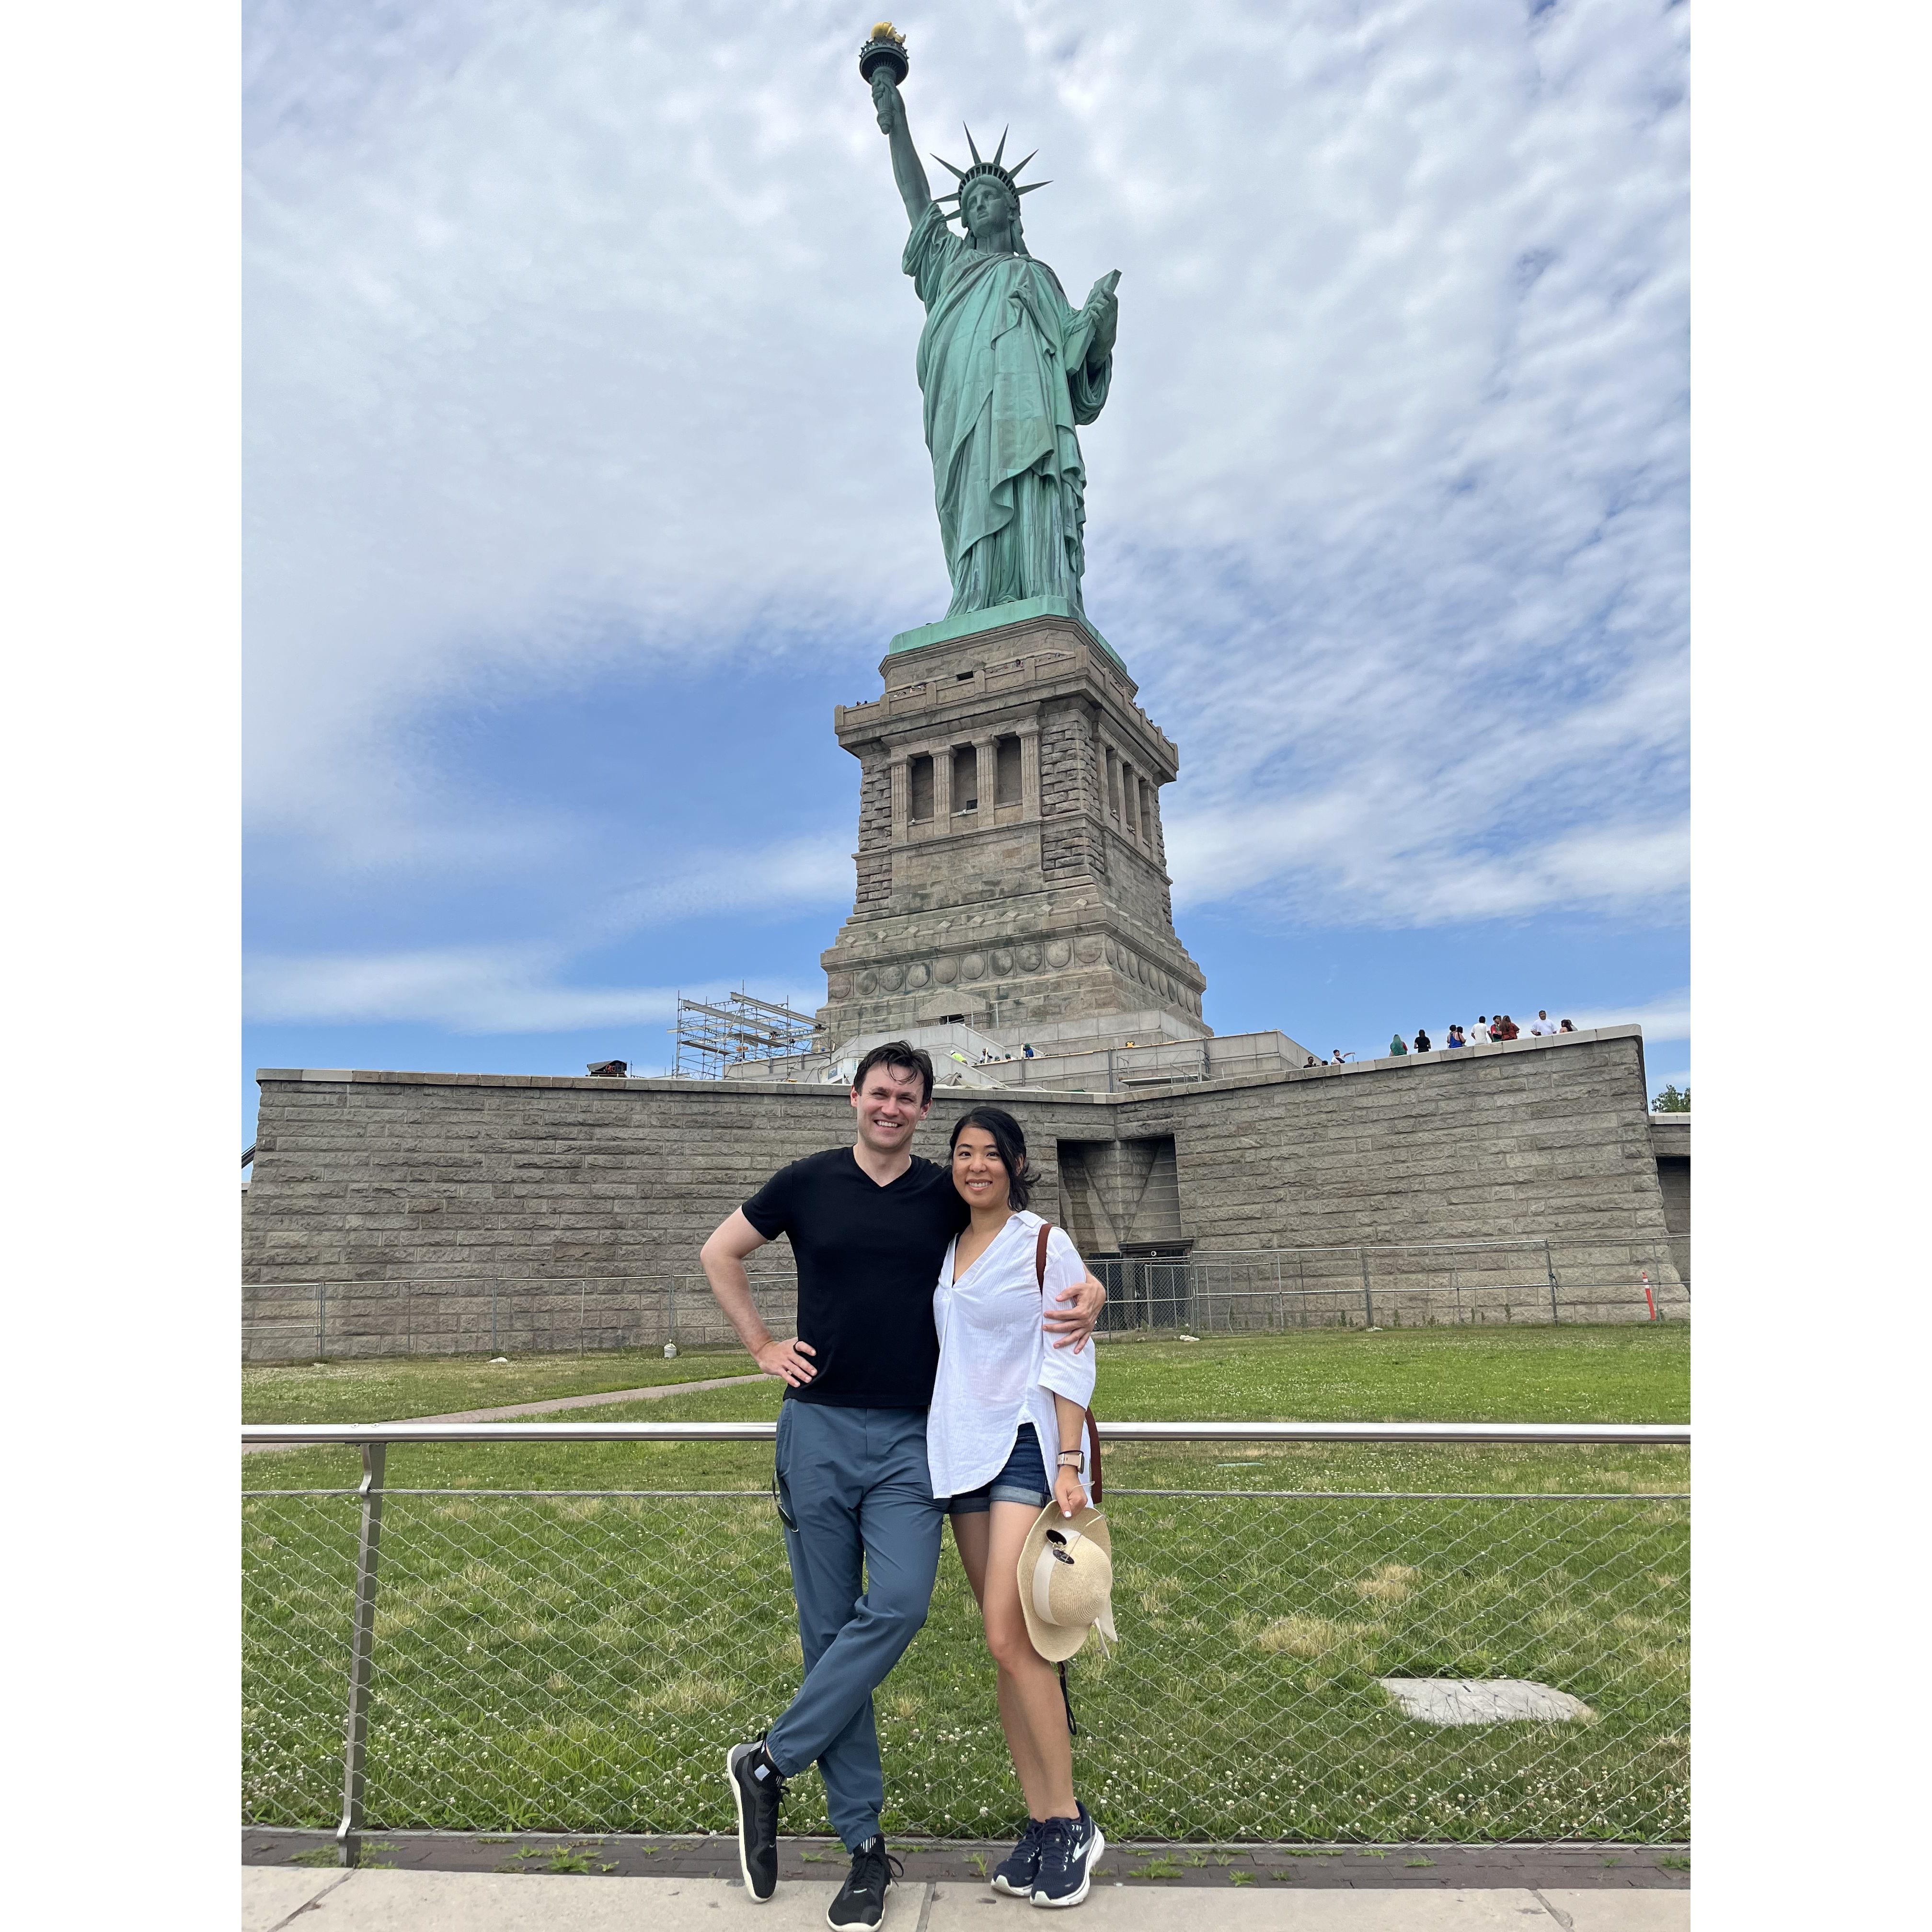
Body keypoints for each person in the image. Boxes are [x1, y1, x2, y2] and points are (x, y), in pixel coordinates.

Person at [702, 1042, 1106, 1927]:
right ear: (854, 1097)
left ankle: (768, 1760)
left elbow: (1029, 1246)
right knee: (828, 1634)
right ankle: (862, 1847)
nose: (891, 1107)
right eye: (879, 1092)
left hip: (916, 1443)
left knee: (899, 1607)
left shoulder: (943, 1192)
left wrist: (1094, 1290)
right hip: (820, 1430)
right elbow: (719, 1252)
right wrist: (760, 1345)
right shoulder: (806, 1181)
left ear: (923, 1110)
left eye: (907, 1097)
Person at [930, 1107, 1107, 1907]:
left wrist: (1068, 1459)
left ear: (1018, 1164)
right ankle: (1039, 1820)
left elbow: (1070, 1349)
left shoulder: (1043, 1242)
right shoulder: (945, 1244)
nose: (976, 1166)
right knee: (1007, 1646)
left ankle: (1069, 1822)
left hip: (1025, 1446)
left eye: (990, 1154)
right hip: (960, 1451)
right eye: (963, 1153)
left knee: (1014, 1636)